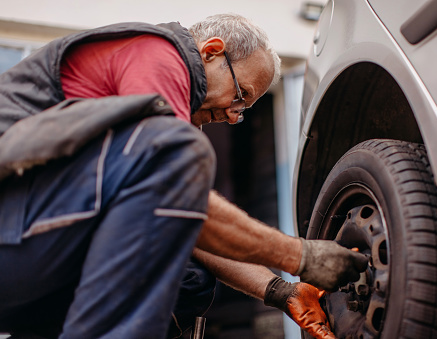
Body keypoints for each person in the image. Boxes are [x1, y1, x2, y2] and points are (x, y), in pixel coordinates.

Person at [0, 13, 368, 339]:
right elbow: (178, 200)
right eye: (239, 97)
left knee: (189, 280)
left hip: (31, 245)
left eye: (243, 111)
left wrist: (281, 291)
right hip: (12, 222)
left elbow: (187, 221)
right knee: (179, 158)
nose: (232, 115)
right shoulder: (156, 55)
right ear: (211, 51)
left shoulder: (162, 138)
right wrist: (302, 257)